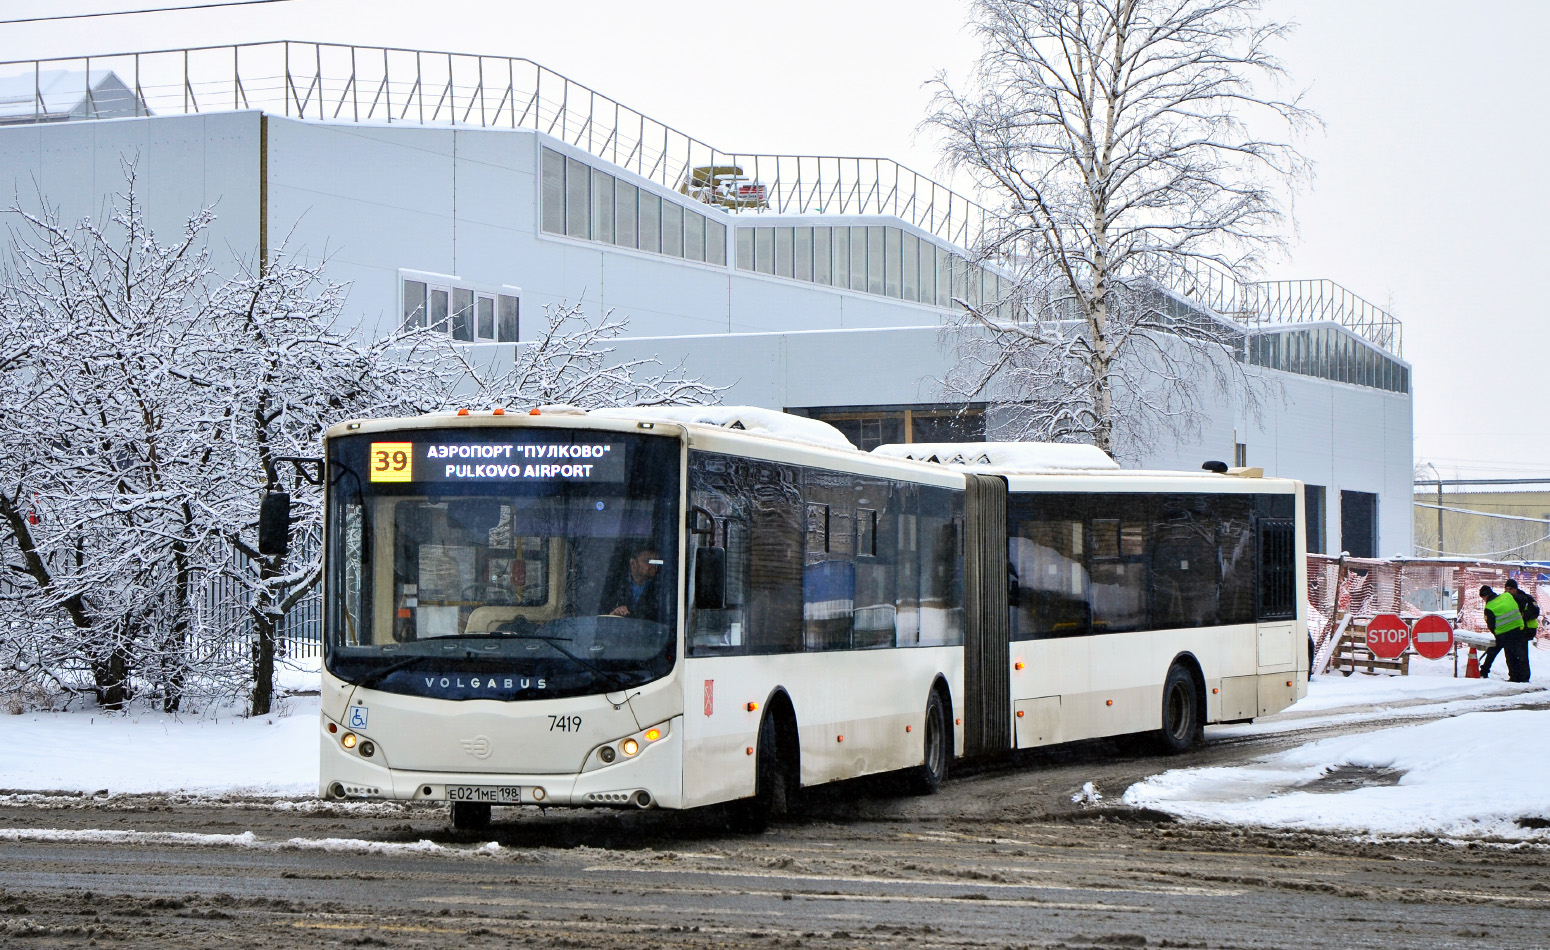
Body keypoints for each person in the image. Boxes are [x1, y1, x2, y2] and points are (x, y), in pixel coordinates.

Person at [1479, 584, 1532, 683]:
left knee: (1509, 655)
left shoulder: (1489, 607)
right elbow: (1522, 600)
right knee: (1520, 654)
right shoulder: (1507, 596)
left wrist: (1497, 635)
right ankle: (1524, 678)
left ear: (1485, 596)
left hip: (1504, 634)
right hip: (1518, 629)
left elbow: (1491, 625)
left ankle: (1513, 677)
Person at [605, 546, 661, 621]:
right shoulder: (614, 585)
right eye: (648, 561)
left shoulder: (660, 588)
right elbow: (602, 613)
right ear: (633, 564)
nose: (653, 565)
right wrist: (613, 614)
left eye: (655, 561)